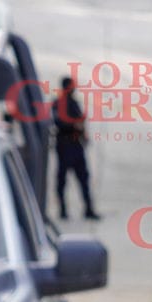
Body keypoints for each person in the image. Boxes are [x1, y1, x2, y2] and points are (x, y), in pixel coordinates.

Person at [53, 75, 99, 221]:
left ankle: (88, 209)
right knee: (62, 180)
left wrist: (82, 132)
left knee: (83, 179)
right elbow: (59, 123)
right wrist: (74, 125)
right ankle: (63, 210)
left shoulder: (74, 103)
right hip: (65, 146)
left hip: (76, 146)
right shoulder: (58, 104)